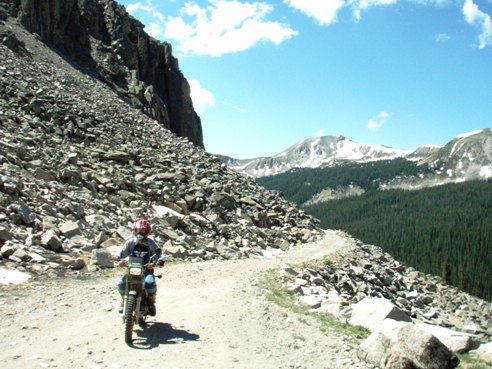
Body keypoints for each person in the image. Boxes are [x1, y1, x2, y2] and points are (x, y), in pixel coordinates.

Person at [114, 219, 165, 316]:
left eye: (143, 230)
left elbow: (159, 253)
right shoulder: (131, 242)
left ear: (148, 231)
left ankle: (150, 303)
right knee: (121, 284)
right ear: (134, 230)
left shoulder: (151, 242)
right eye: (138, 230)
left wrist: (160, 260)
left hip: (147, 269)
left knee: (150, 283)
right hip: (132, 268)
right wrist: (117, 257)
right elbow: (122, 252)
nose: (140, 233)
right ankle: (124, 301)